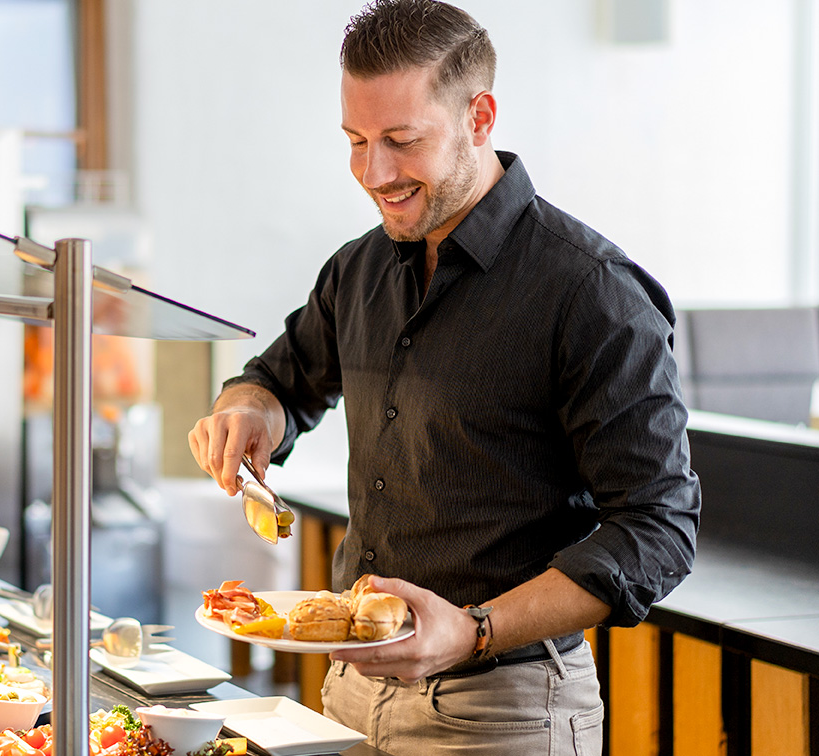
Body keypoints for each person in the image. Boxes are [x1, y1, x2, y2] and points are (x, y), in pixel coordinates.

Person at [187, 1, 700, 753]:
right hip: (347, 690)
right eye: (356, 141)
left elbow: (660, 527)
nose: (373, 173)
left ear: (480, 118)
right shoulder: (358, 267)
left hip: (503, 706)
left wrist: (473, 630)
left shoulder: (592, 291)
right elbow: (279, 381)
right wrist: (251, 409)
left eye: (401, 141)